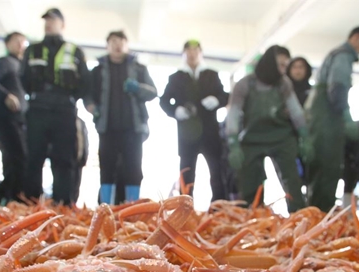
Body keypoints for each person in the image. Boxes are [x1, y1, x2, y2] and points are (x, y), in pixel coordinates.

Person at [225, 45, 307, 213]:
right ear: (269, 62)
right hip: (252, 139)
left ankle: (299, 218)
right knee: (250, 186)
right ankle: (253, 220)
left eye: (286, 65)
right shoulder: (245, 84)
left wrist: (305, 136)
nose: (284, 70)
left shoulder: (284, 84)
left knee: (292, 183)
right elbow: (232, 114)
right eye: (281, 65)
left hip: (282, 138)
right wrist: (233, 143)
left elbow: (296, 111)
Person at [22, 8, 89, 205]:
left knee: (64, 159)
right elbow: (23, 78)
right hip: (37, 108)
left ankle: (63, 205)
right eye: (46, 21)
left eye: (53, 20)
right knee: (34, 157)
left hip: (64, 109)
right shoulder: (32, 50)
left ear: (62, 24)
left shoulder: (75, 51)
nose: (48, 24)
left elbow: (85, 82)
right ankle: (30, 205)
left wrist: (68, 98)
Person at [86, 30, 157, 205]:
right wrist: (93, 108)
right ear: (107, 46)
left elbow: (153, 92)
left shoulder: (139, 69)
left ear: (127, 45)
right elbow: (87, 96)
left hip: (133, 130)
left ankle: (132, 210)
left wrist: (138, 88)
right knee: (106, 169)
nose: (117, 45)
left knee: (133, 169)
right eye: (113, 42)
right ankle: (104, 210)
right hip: (106, 129)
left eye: (121, 42)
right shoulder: (97, 71)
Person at [306, 26, 359, 212]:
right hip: (326, 122)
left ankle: (315, 216)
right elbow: (337, 88)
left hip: (320, 122)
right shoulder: (343, 56)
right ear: (357, 37)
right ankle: (319, 217)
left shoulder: (335, 55)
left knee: (320, 172)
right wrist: (346, 115)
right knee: (327, 170)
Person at [159, 40, 229, 201]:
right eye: (188, 51)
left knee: (217, 172)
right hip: (186, 135)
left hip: (211, 134)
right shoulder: (176, 77)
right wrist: (175, 110)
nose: (192, 54)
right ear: (183, 54)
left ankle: (219, 207)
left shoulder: (212, 74)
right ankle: (185, 208)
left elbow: (225, 96)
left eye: (195, 51)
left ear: (200, 53)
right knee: (187, 173)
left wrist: (216, 100)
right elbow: (163, 101)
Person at [0, 31, 28, 203]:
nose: (20, 45)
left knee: (14, 159)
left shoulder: (21, 66)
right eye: (16, 41)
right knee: (20, 157)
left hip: (19, 119)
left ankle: (4, 196)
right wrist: (6, 96)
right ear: (7, 44)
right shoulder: (5, 62)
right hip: (6, 117)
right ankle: (8, 197)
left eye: (23, 42)